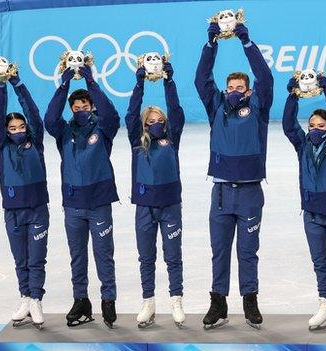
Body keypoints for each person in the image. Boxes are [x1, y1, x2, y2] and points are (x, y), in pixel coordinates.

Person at [194, 21, 273, 330]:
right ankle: (218, 302)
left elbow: (266, 78)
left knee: (247, 252)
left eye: (240, 88)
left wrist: (246, 43)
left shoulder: (258, 107)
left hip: (251, 192)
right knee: (220, 252)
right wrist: (211, 43)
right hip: (223, 193)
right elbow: (202, 79)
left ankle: (249, 300)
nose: (235, 92)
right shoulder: (216, 107)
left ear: (248, 91)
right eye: (231, 88)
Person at [44, 64, 120, 328]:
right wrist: (63, 85)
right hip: (74, 205)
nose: (80, 110)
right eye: (75, 107)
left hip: (99, 204)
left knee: (104, 255)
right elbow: (49, 120)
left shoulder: (104, 129)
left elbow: (111, 113)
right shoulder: (64, 131)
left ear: (92, 106)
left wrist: (91, 82)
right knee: (77, 256)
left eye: (84, 105)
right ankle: (81, 301)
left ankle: (108, 301)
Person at [282, 75, 326, 332]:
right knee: (319, 261)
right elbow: (289, 125)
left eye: (321, 126)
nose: (315, 129)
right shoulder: (303, 146)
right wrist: (293, 96)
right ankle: (325, 303)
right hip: (311, 214)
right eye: (312, 125)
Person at [126, 62, 186, 329]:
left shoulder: (172, 138)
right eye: (151, 122)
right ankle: (148, 301)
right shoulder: (137, 141)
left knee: (173, 256)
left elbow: (176, 110)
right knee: (146, 257)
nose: (156, 124)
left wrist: (168, 81)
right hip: (144, 209)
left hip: (171, 205)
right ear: (144, 125)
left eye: (160, 121)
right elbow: (130, 114)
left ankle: (176, 299)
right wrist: (139, 84)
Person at [0, 72, 49, 330]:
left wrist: (16, 83)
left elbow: (33, 113)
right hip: (13, 212)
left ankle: (36, 299)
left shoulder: (36, 142)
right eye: (12, 129)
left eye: (20, 127)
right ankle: (25, 297)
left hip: (37, 210)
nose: (17, 131)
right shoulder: (0, 147)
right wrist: (0, 87)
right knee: (20, 259)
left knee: (36, 259)